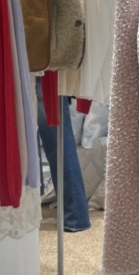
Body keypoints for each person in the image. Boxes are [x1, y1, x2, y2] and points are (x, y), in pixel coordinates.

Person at [35, 78, 91, 232]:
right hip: (52, 73)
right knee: (59, 141)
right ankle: (76, 216)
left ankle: (31, 209)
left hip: (38, 70)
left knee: (50, 141)